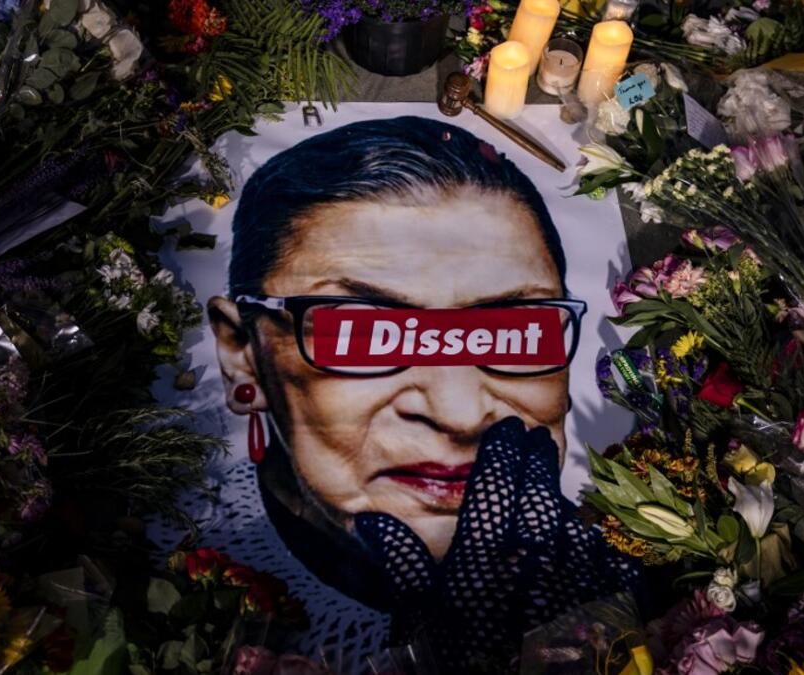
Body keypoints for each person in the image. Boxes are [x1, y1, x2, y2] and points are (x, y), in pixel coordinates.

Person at [151, 117, 642, 673]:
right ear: (243, 351)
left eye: (512, 333)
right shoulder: (164, 587)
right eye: (365, 335)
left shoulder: (646, 558)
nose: (458, 413)